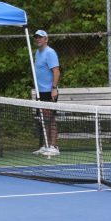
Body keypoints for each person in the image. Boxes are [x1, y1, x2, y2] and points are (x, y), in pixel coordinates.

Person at [33, 29, 60, 157]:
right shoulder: (37, 53)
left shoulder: (50, 53)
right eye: (36, 37)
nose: (38, 39)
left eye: (40, 37)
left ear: (46, 39)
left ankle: (54, 146)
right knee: (43, 119)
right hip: (40, 92)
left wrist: (54, 88)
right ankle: (46, 145)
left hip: (49, 91)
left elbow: (56, 71)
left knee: (51, 119)